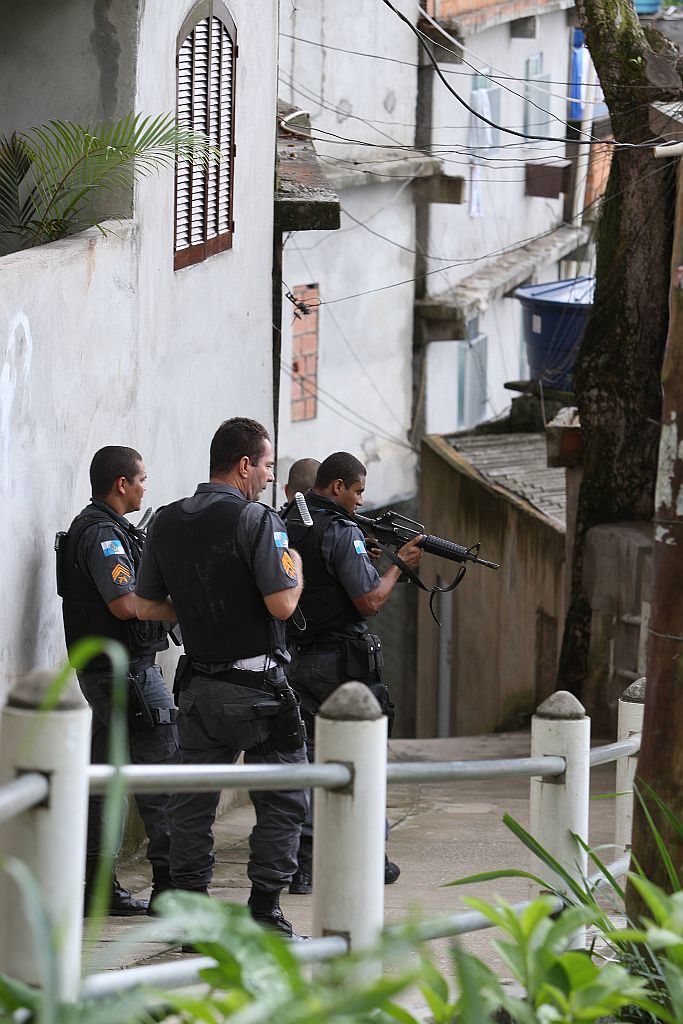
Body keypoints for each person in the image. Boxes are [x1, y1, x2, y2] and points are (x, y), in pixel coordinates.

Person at [135, 417, 308, 939]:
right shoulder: (258, 520)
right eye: (267, 466)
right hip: (258, 691)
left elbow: (144, 605)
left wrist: (194, 609)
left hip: (198, 690)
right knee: (284, 796)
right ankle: (264, 913)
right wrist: (295, 564)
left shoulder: (164, 519)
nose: (269, 477)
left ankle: (191, 918)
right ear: (244, 465)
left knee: (192, 802)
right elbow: (281, 604)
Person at [283, 451, 423, 894]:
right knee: (360, 755)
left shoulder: (285, 523)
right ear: (338, 486)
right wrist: (398, 566)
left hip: (296, 656)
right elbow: (369, 601)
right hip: (341, 663)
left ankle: (302, 864)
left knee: (303, 761)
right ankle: (367, 854)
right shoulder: (341, 530)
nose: (362, 501)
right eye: (359, 491)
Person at [57, 446, 179, 916]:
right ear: (121, 484)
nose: (146, 486)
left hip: (111, 673)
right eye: (142, 479)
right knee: (163, 773)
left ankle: (96, 888)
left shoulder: (102, 528)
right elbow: (125, 605)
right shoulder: (103, 535)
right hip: (127, 673)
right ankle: (172, 888)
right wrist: (181, 607)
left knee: (103, 778)